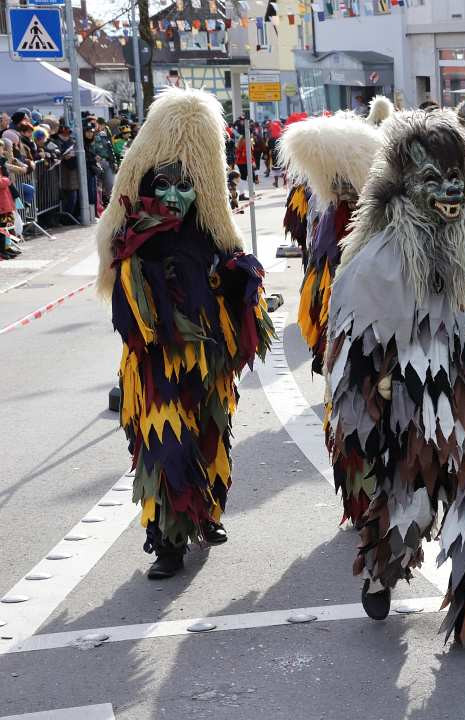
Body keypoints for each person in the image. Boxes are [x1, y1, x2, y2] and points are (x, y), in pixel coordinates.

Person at [324, 109, 465, 650]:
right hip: (411, 400)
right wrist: (368, 396)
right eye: (431, 178)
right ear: (403, 184)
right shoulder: (379, 259)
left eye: (454, 177)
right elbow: (356, 341)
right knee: (409, 503)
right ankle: (381, 567)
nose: (447, 190)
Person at [95, 88, 274, 579]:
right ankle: (168, 543)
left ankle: (207, 513)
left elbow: (237, 288)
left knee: (211, 437)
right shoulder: (134, 241)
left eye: (185, 184)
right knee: (164, 444)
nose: (174, 195)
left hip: (209, 361)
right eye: (164, 184)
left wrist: (245, 284)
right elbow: (126, 308)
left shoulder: (211, 237)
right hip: (157, 365)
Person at [280, 112, 382, 525]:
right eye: (332, 180)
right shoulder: (324, 221)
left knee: (381, 419)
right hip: (336, 344)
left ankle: (382, 497)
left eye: (346, 179)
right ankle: (359, 503)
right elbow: (316, 280)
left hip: (378, 342)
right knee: (345, 421)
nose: (340, 188)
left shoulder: (379, 223)